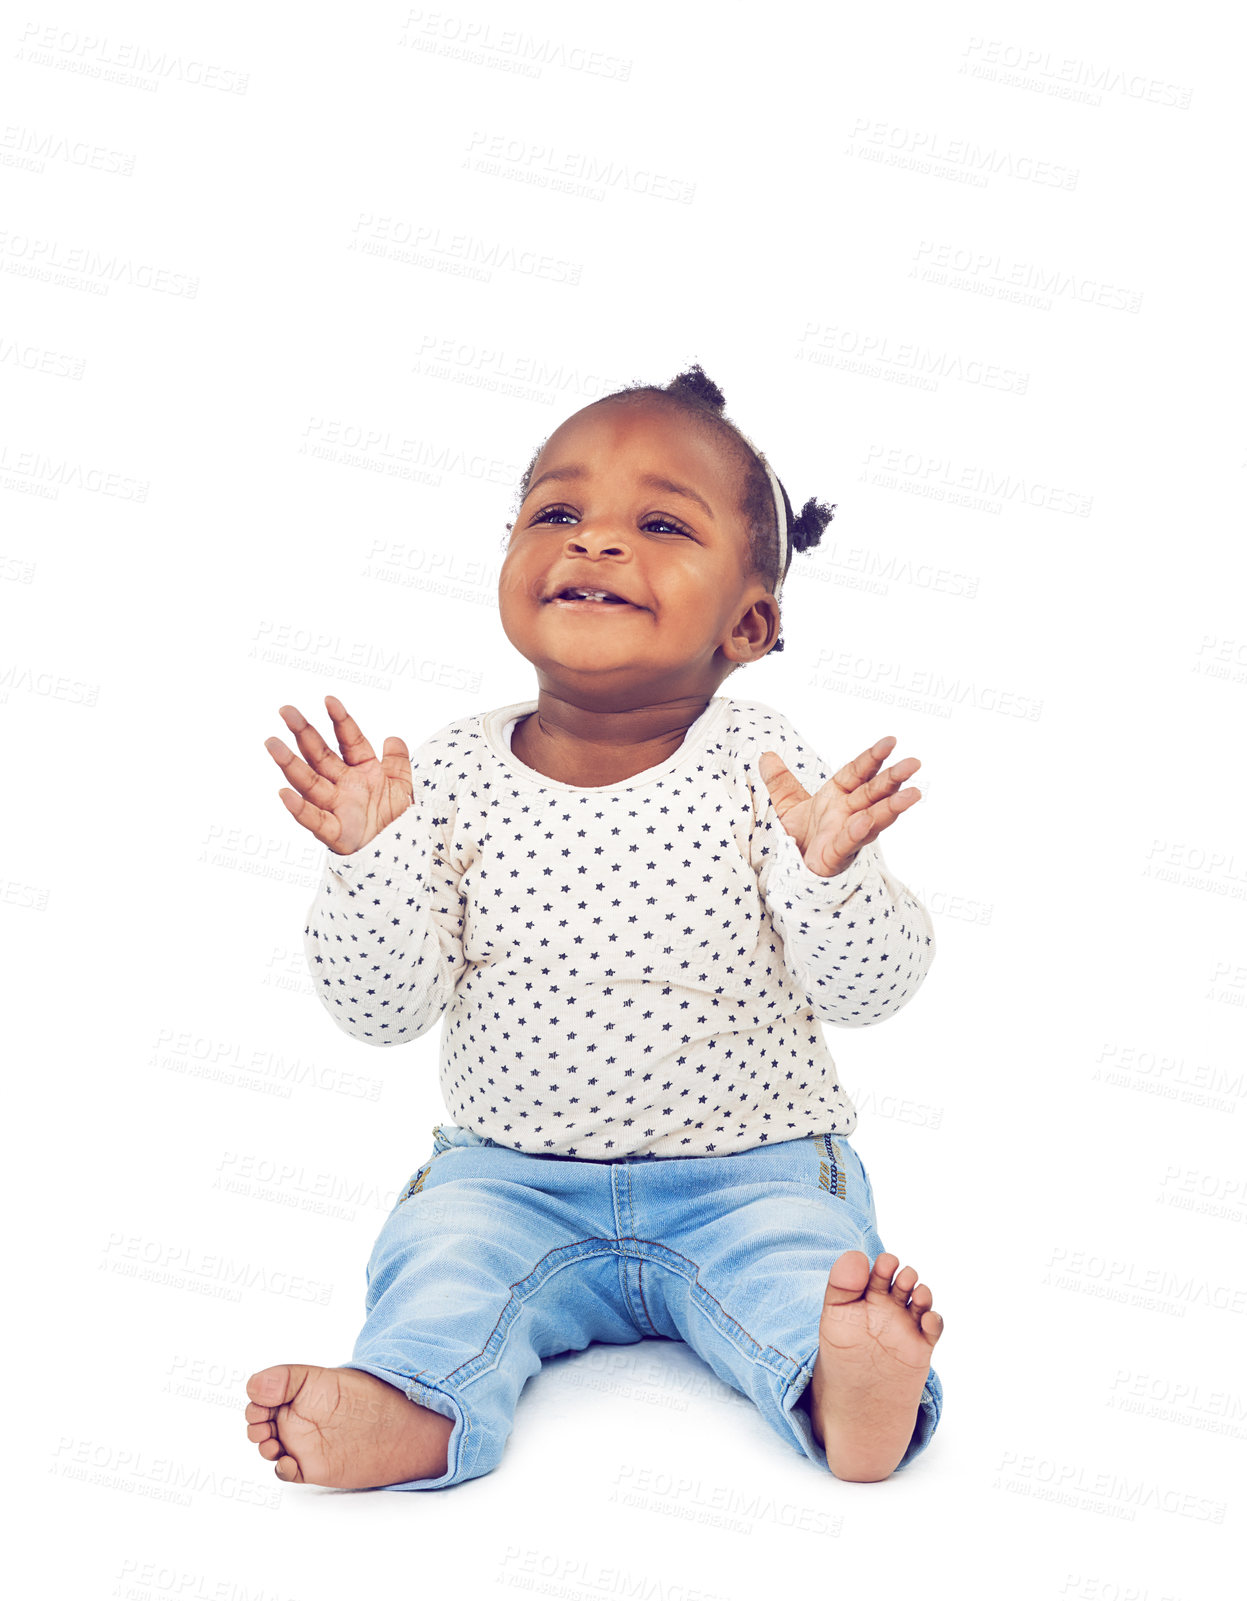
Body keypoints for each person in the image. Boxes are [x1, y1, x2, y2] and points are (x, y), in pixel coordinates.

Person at [244, 363, 945, 1490]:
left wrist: (830, 875)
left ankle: (842, 1386)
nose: (595, 543)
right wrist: (369, 865)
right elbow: (382, 1014)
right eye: (557, 513)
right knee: (437, 1259)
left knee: (806, 1268)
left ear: (750, 622)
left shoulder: (761, 768)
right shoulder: (445, 774)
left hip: (750, 1173)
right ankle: (412, 1401)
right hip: (507, 1179)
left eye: (659, 523)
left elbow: (870, 988)